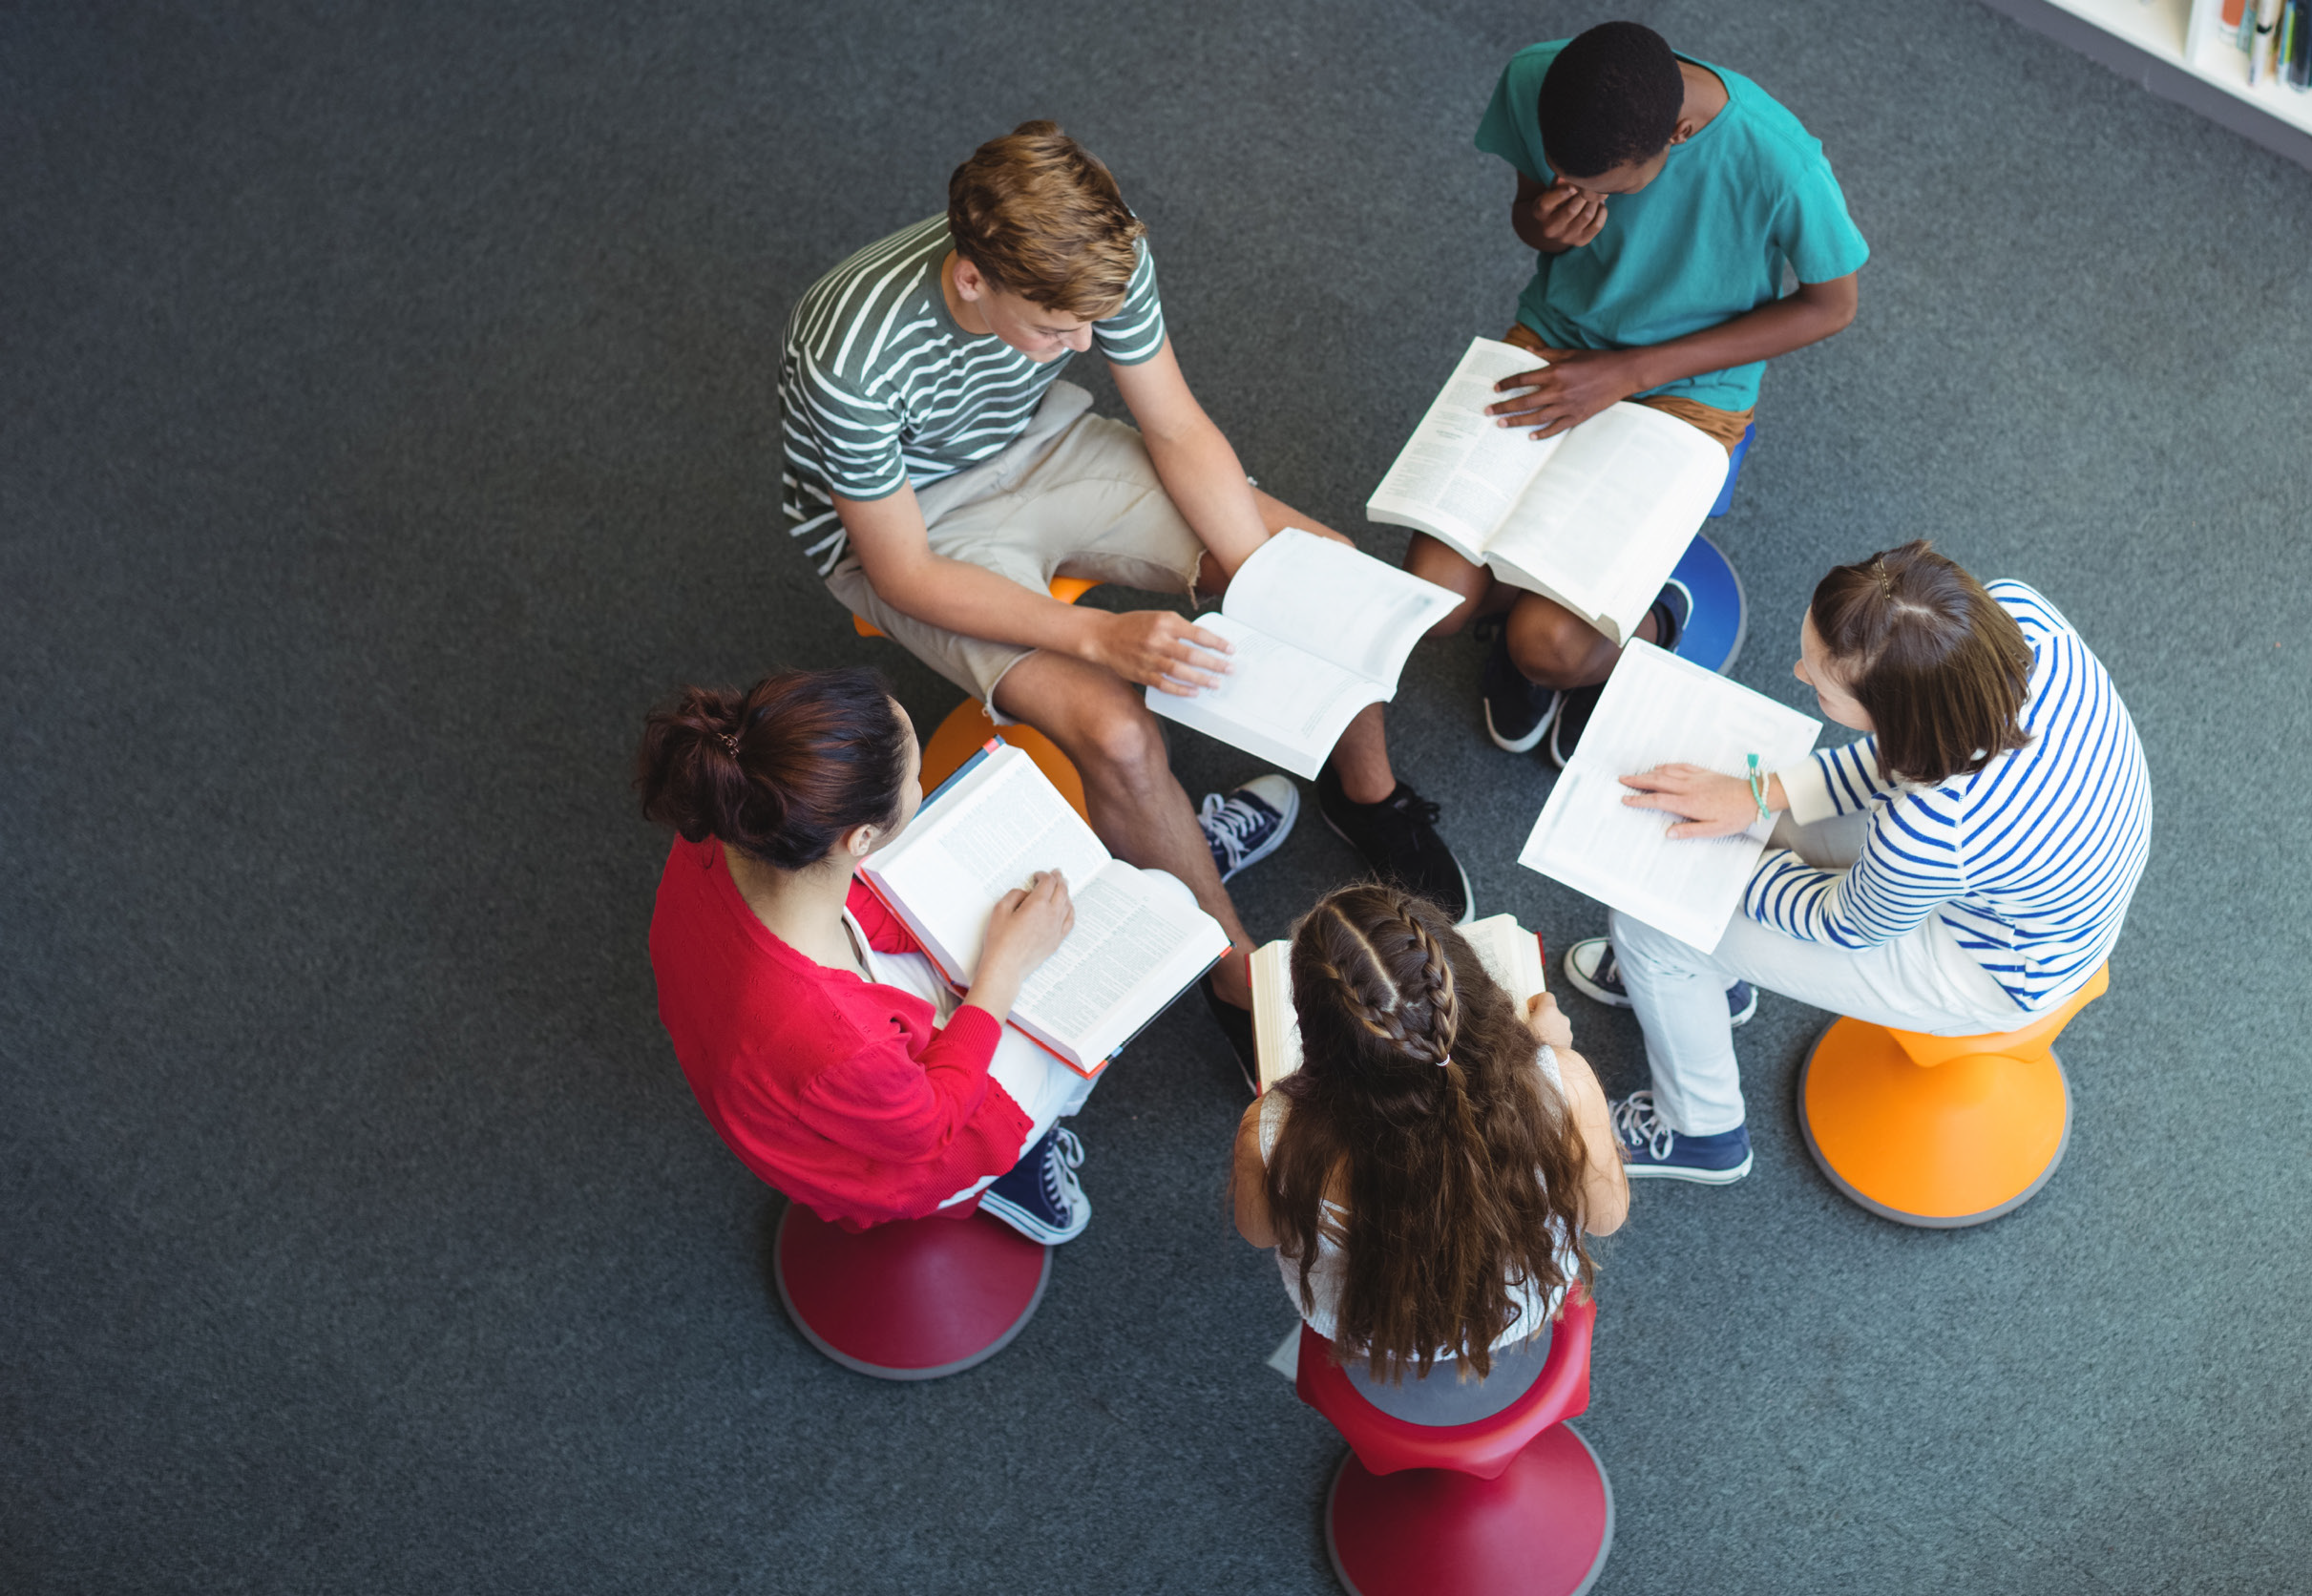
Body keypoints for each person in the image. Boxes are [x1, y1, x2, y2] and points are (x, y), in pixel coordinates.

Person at [781, 120, 1472, 1080]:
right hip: (920, 526)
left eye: (1090, 324)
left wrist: (1269, 581)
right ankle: (1234, 982)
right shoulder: (850, 353)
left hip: (1050, 447)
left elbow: (1176, 421)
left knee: (1322, 565)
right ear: (973, 279)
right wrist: (1097, 635)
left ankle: (1365, 793)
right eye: (1057, 330)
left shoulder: (1100, 262)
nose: (1081, 342)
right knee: (1113, 731)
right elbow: (902, 573)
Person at [1561, 542, 2153, 1184]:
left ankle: (1700, 1129)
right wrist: (1755, 797)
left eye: (1819, 686)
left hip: (1993, 966)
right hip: (2042, 871)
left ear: (1896, 718)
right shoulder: (2017, 620)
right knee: (1758, 841)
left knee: (1652, 925)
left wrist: (1727, 869)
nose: (1795, 671)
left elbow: (1845, 923)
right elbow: (1900, 762)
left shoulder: (1929, 828)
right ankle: (1706, 980)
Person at [1404, 21, 1871, 766]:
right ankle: (1556, 605)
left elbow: (1831, 306)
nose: (1587, 195)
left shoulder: (1781, 164)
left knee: (1545, 646)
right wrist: (1545, 226)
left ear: (1680, 134)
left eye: (1607, 190)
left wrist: (1629, 374)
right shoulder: (1537, 79)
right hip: (1561, 334)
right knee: (1433, 603)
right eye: (1571, 177)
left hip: (1690, 382)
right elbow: (1530, 219)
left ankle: (1652, 622)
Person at [641, 665, 1099, 1243]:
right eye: (918, 780)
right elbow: (931, 1127)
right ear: (859, 839)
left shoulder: (727, 816)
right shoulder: (841, 1039)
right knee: (1081, 1002)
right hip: (889, 1155)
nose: (921, 788)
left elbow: (849, 911)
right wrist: (1002, 969)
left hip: (744, 1059)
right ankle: (1014, 1171)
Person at [1230, 885, 1627, 1419]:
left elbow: (1258, 1231)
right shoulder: (1563, 1086)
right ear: (1475, 993)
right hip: (1517, 1307)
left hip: (1371, 1329)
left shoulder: (1273, 1131)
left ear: (1315, 1035)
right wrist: (1552, 1053)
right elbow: (1605, 1218)